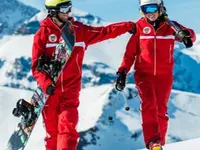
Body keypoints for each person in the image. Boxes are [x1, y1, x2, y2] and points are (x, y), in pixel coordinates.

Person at [31, 0, 135, 149]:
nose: (68, 12)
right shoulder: (42, 35)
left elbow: (104, 32)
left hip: (70, 91)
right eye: (64, 9)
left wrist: (126, 26)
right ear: (53, 11)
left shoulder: (79, 31)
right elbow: (36, 68)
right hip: (49, 93)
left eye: (70, 8)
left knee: (68, 130)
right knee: (52, 134)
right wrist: (46, 85)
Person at [115, 0, 196, 150]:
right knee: (149, 106)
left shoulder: (171, 26)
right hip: (143, 75)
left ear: (161, 8)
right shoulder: (139, 27)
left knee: (161, 110)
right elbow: (129, 54)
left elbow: (191, 37)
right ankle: (153, 142)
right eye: (144, 10)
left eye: (152, 8)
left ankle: (160, 143)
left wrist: (186, 35)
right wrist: (122, 71)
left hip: (164, 76)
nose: (149, 13)